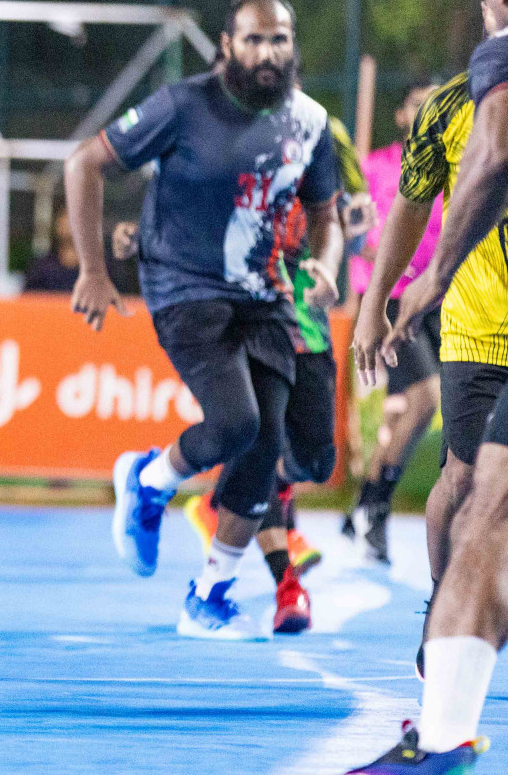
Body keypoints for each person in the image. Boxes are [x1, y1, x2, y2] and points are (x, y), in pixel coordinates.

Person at [66, 0, 342, 641]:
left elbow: (325, 210)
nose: (268, 52)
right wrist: (94, 270)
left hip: (268, 296)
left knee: (268, 443)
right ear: (226, 46)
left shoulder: (310, 121)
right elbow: (85, 162)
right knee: (238, 422)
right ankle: (151, 479)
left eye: (279, 39)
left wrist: (327, 263)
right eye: (253, 39)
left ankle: (208, 594)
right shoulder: (183, 106)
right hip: (185, 288)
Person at [346, 0, 508, 774]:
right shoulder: (452, 103)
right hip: (482, 330)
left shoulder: (498, 70)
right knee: (470, 488)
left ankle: (447, 702)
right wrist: (379, 298)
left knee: (488, 502)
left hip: (459, 302)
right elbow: (415, 201)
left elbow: (489, 167)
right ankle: (445, 653)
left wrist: (425, 282)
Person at [119, 111, 367, 635]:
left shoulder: (325, 135)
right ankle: (281, 585)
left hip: (307, 313)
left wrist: (348, 247)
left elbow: (351, 223)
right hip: (251, 311)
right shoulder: (214, 129)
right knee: (257, 438)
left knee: (315, 460)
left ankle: (223, 500)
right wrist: (144, 238)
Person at [344, 81, 446, 564]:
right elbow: (350, 230)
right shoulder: (376, 167)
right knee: (425, 399)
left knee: (418, 409)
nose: (429, 111)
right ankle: (375, 506)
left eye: (437, 103)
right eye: (418, 103)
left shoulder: (458, 166)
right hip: (389, 300)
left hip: (441, 297)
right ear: (403, 115)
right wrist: (386, 267)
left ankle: (365, 502)